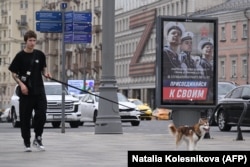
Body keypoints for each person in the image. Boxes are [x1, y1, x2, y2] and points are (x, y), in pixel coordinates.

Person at [8, 30, 51, 152]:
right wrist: (21, 85)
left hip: (39, 90)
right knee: (25, 118)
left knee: (41, 114)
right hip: (26, 92)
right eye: (30, 40)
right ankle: (27, 141)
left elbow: (43, 69)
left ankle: (38, 137)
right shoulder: (20, 56)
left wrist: (46, 74)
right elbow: (14, 73)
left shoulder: (40, 55)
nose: (32, 43)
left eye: (34, 40)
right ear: (26, 41)